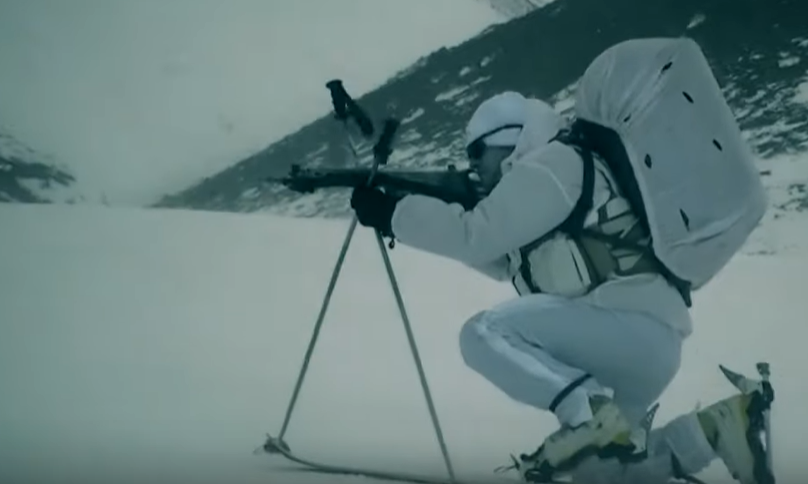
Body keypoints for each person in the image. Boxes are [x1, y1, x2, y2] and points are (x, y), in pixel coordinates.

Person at [349, 91, 769, 484]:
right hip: (642, 341)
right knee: (604, 473)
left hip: (624, 323)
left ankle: (590, 414)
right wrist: (410, 210)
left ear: (508, 139)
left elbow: (474, 235)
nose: (472, 164)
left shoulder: (550, 164)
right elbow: (501, 260)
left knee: (484, 333)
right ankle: (716, 429)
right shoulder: (554, 172)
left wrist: (394, 214)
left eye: (476, 151)